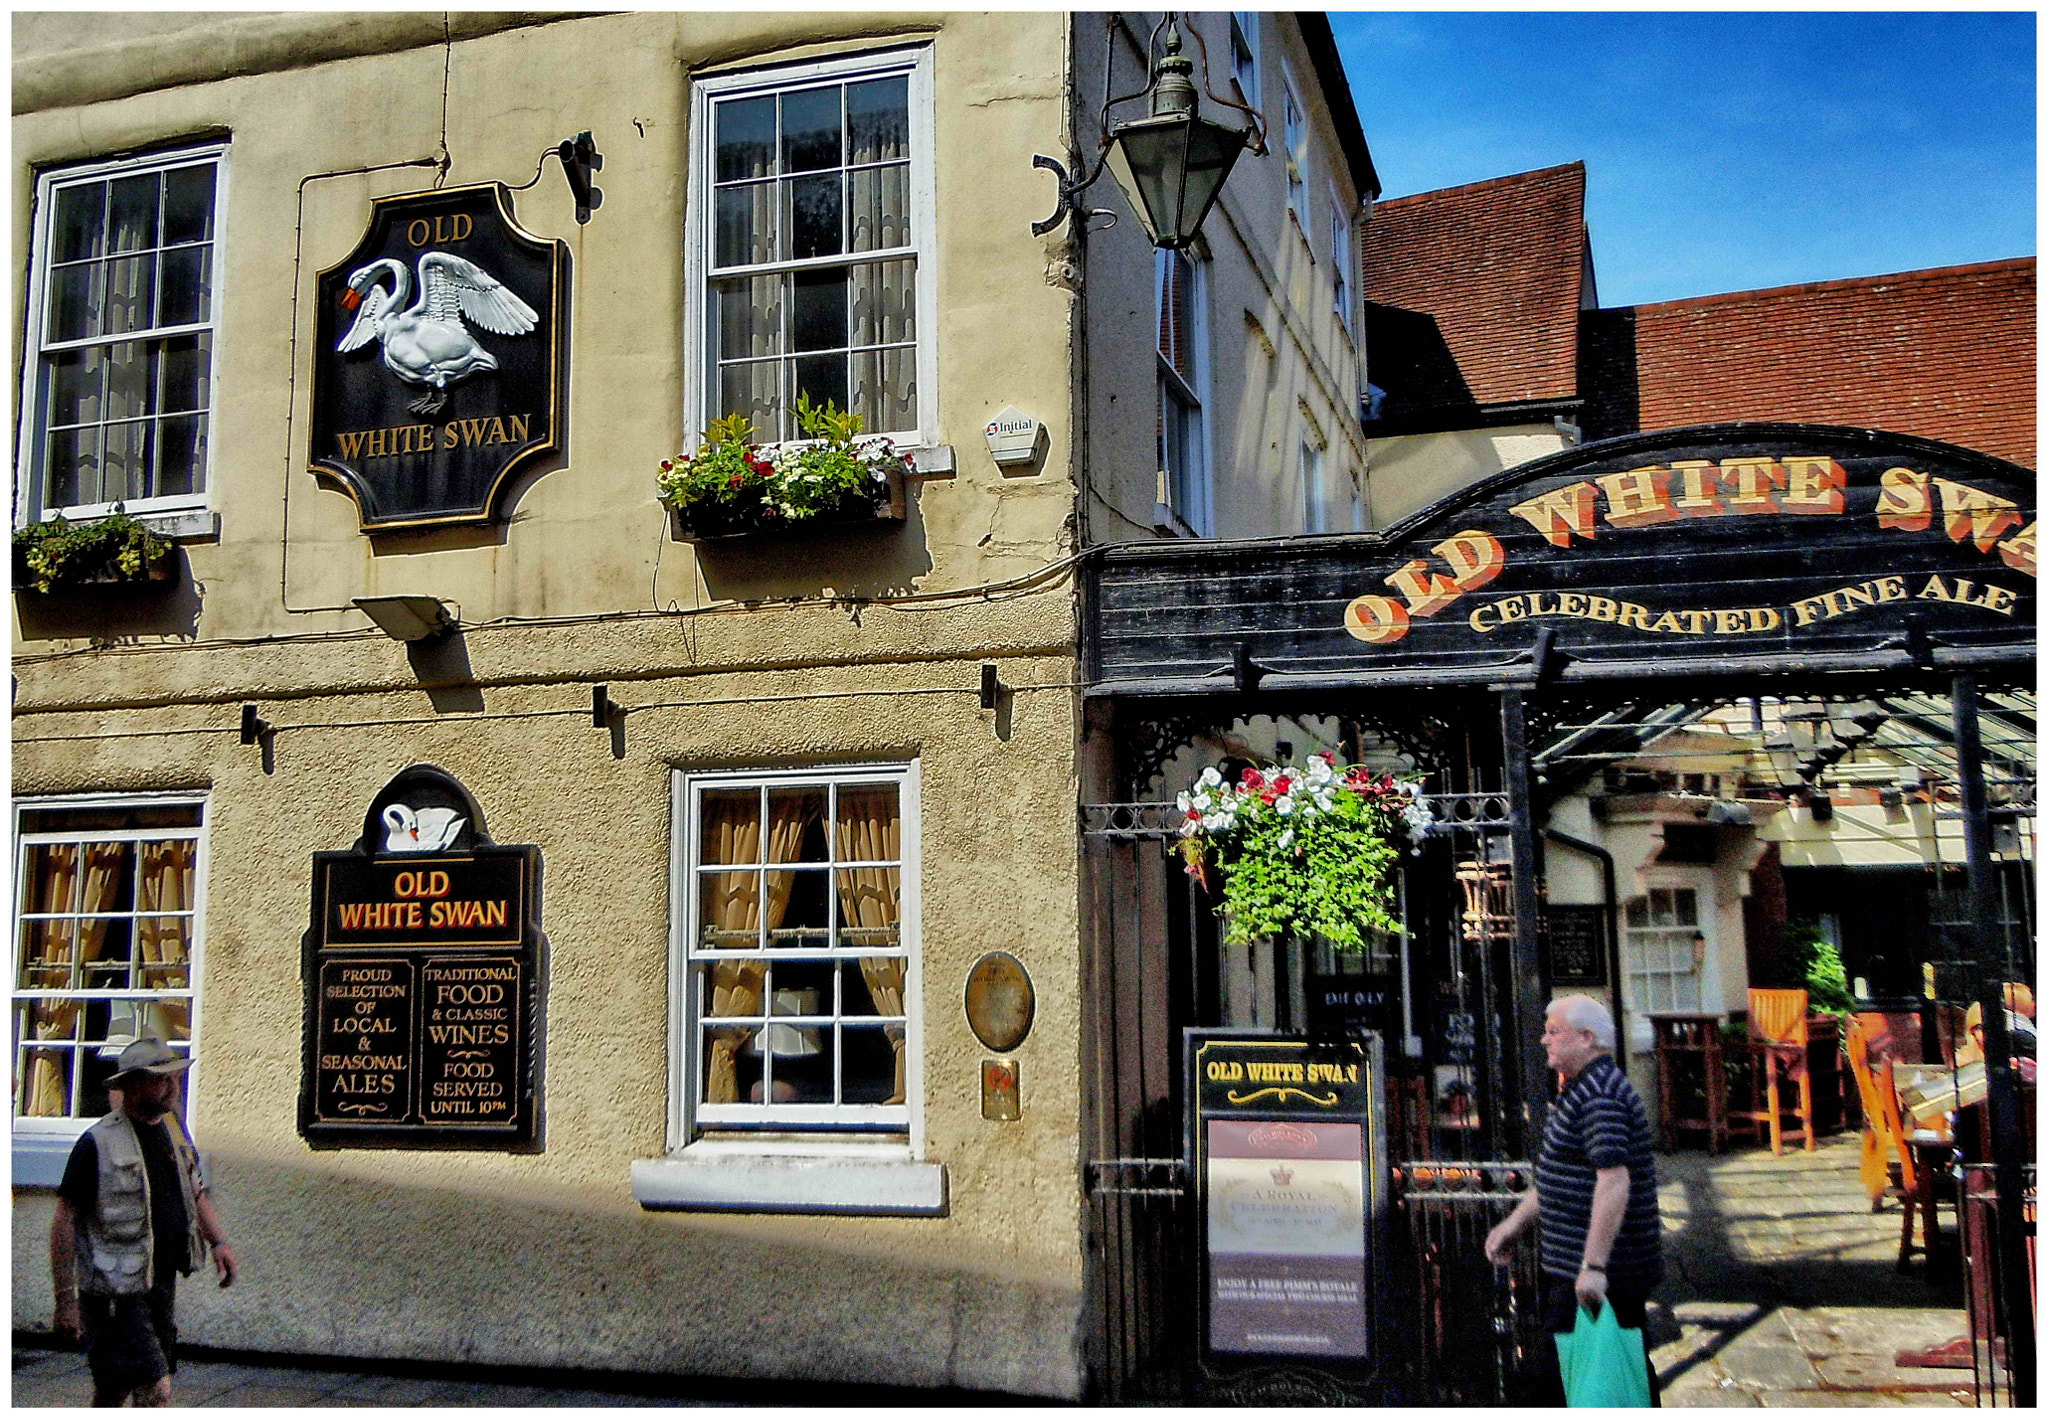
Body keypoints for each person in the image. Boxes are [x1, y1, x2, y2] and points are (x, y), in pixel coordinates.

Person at [1484, 995, 1662, 1406]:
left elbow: (1614, 1181)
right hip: (1576, 1270)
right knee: (1605, 1382)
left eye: (1553, 1031)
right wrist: (1514, 1225)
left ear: (1586, 1038)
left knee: (1594, 1384)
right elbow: (1558, 1178)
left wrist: (1595, 1267)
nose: (1544, 1040)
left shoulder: (1600, 1095)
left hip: (1600, 1276)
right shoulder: (1582, 1090)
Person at [50, 1038, 238, 1407]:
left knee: (113, 1390)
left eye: (174, 1077)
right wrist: (65, 1300)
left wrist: (219, 1243)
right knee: (155, 1388)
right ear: (132, 1084)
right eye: (160, 1078)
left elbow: (195, 1193)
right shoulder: (97, 1143)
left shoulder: (175, 1133)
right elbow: (64, 1220)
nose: (172, 1085)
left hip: (159, 1285)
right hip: (114, 1293)